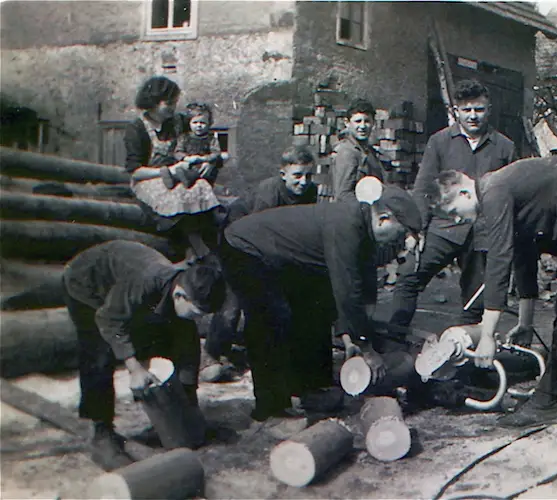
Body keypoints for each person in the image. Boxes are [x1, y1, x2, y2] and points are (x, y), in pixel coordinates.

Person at [423, 157, 557, 429]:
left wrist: (486, 336)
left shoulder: (493, 193)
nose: (457, 219)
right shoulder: (497, 192)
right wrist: (525, 322)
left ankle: (549, 402)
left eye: (453, 211)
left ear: (463, 191)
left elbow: (499, 262)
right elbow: (523, 255)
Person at [220, 179, 422, 420]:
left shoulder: (363, 226)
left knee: (316, 309)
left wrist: (350, 337)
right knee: (272, 320)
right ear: (384, 219)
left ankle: (311, 388)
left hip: (285, 258)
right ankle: (271, 407)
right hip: (245, 249)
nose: (395, 244)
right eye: (399, 236)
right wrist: (366, 349)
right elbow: (347, 290)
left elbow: (358, 287)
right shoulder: (347, 225)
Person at [62, 240, 226, 471]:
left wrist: (189, 403)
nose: (198, 319)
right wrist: (135, 368)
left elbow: (187, 349)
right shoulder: (145, 282)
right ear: (179, 295)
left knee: (166, 337)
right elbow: (109, 319)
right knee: (99, 353)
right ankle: (100, 430)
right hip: (87, 282)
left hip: (123, 287)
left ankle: (166, 420)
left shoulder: (181, 290)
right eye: (197, 312)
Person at [389, 79, 517, 329]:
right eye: (467, 110)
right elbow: (423, 185)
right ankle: (394, 339)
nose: (473, 116)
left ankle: (465, 355)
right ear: (456, 111)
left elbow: (511, 194)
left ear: (488, 109)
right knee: (408, 277)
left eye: (479, 109)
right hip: (444, 228)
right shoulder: (439, 142)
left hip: (483, 233)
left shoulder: (504, 147)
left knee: (474, 300)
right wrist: (416, 230)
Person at [203, 145, 319, 375]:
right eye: (297, 175)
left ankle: (263, 350)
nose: (303, 181)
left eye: (308, 175)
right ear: (283, 173)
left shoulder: (310, 191)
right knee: (235, 295)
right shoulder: (270, 191)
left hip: (272, 241)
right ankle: (212, 354)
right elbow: (259, 232)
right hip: (238, 236)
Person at [124, 76, 223, 259]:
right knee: (177, 197)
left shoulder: (178, 121)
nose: (172, 107)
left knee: (199, 189)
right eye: (168, 103)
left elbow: (205, 136)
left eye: (174, 103)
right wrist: (166, 171)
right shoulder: (137, 129)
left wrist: (210, 161)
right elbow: (135, 171)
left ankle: (207, 246)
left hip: (182, 174)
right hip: (150, 178)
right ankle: (194, 250)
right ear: (152, 102)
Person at [331, 98, 390, 201]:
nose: (362, 126)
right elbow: (343, 194)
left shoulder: (370, 152)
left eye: (367, 121)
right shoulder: (347, 153)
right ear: (347, 123)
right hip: (355, 212)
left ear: (373, 123)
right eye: (358, 121)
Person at [168, 101, 228, 189]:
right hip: (190, 163)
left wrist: (203, 159)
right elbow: (178, 151)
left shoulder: (211, 139)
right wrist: (187, 158)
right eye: (195, 122)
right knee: (183, 167)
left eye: (203, 123)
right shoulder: (184, 137)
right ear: (189, 123)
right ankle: (174, 177)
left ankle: (185, 179)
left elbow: (216, 153)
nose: (199, 125)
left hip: (204, 165)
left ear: (209, 124)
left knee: (205, 171)